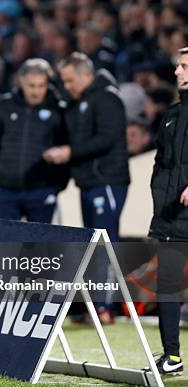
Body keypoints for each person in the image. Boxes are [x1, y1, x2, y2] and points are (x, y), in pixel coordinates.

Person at [44, 52, 130, 323]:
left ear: (85, 74)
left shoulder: (107, 98)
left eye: (70, 80)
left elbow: (106, 138)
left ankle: (106, 307)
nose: (66, 86)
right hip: (90, 182)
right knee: (93, 244)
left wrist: (69, 152)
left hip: (107, 181)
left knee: (106, 242)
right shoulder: (80, 101)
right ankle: (93, 305)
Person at [0, 58, 68, 223]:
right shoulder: (4, 105)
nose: (36, 91)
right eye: (31, 85)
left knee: (38, 246)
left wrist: (57, 186)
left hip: (41, 190)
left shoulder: (59, 109)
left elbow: (65, 147)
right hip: (5, 190)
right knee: (4, 243)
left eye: (41, 85)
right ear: (21, 82)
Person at [147, 46, 188, 376]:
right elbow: (162, 165)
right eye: (178, 65)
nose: (177, 72)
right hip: (172, 218)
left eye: (184, 66)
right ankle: (172, 356)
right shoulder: (172, 115)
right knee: (168, 285)